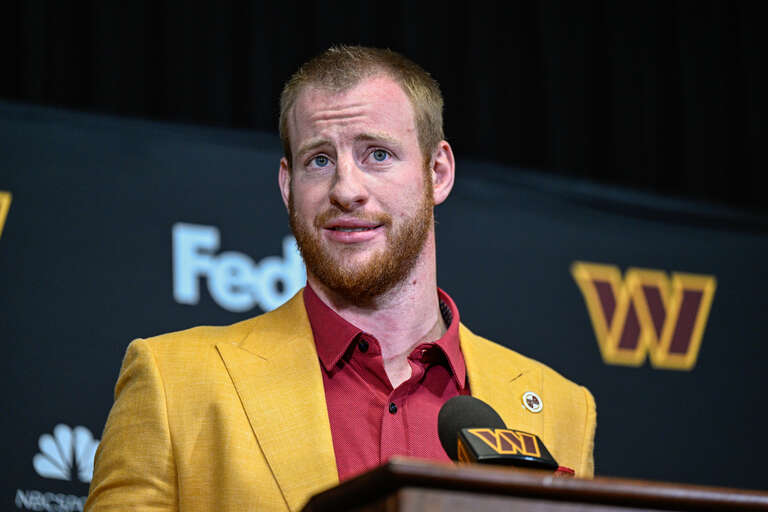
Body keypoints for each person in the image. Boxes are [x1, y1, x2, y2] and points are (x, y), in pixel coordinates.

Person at [86, 46, 596, 512]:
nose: (346, 189)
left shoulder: (561, 407)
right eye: (320, 160)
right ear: (288, 185)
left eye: (377, 154)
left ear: (437, 172)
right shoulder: (172, 380)